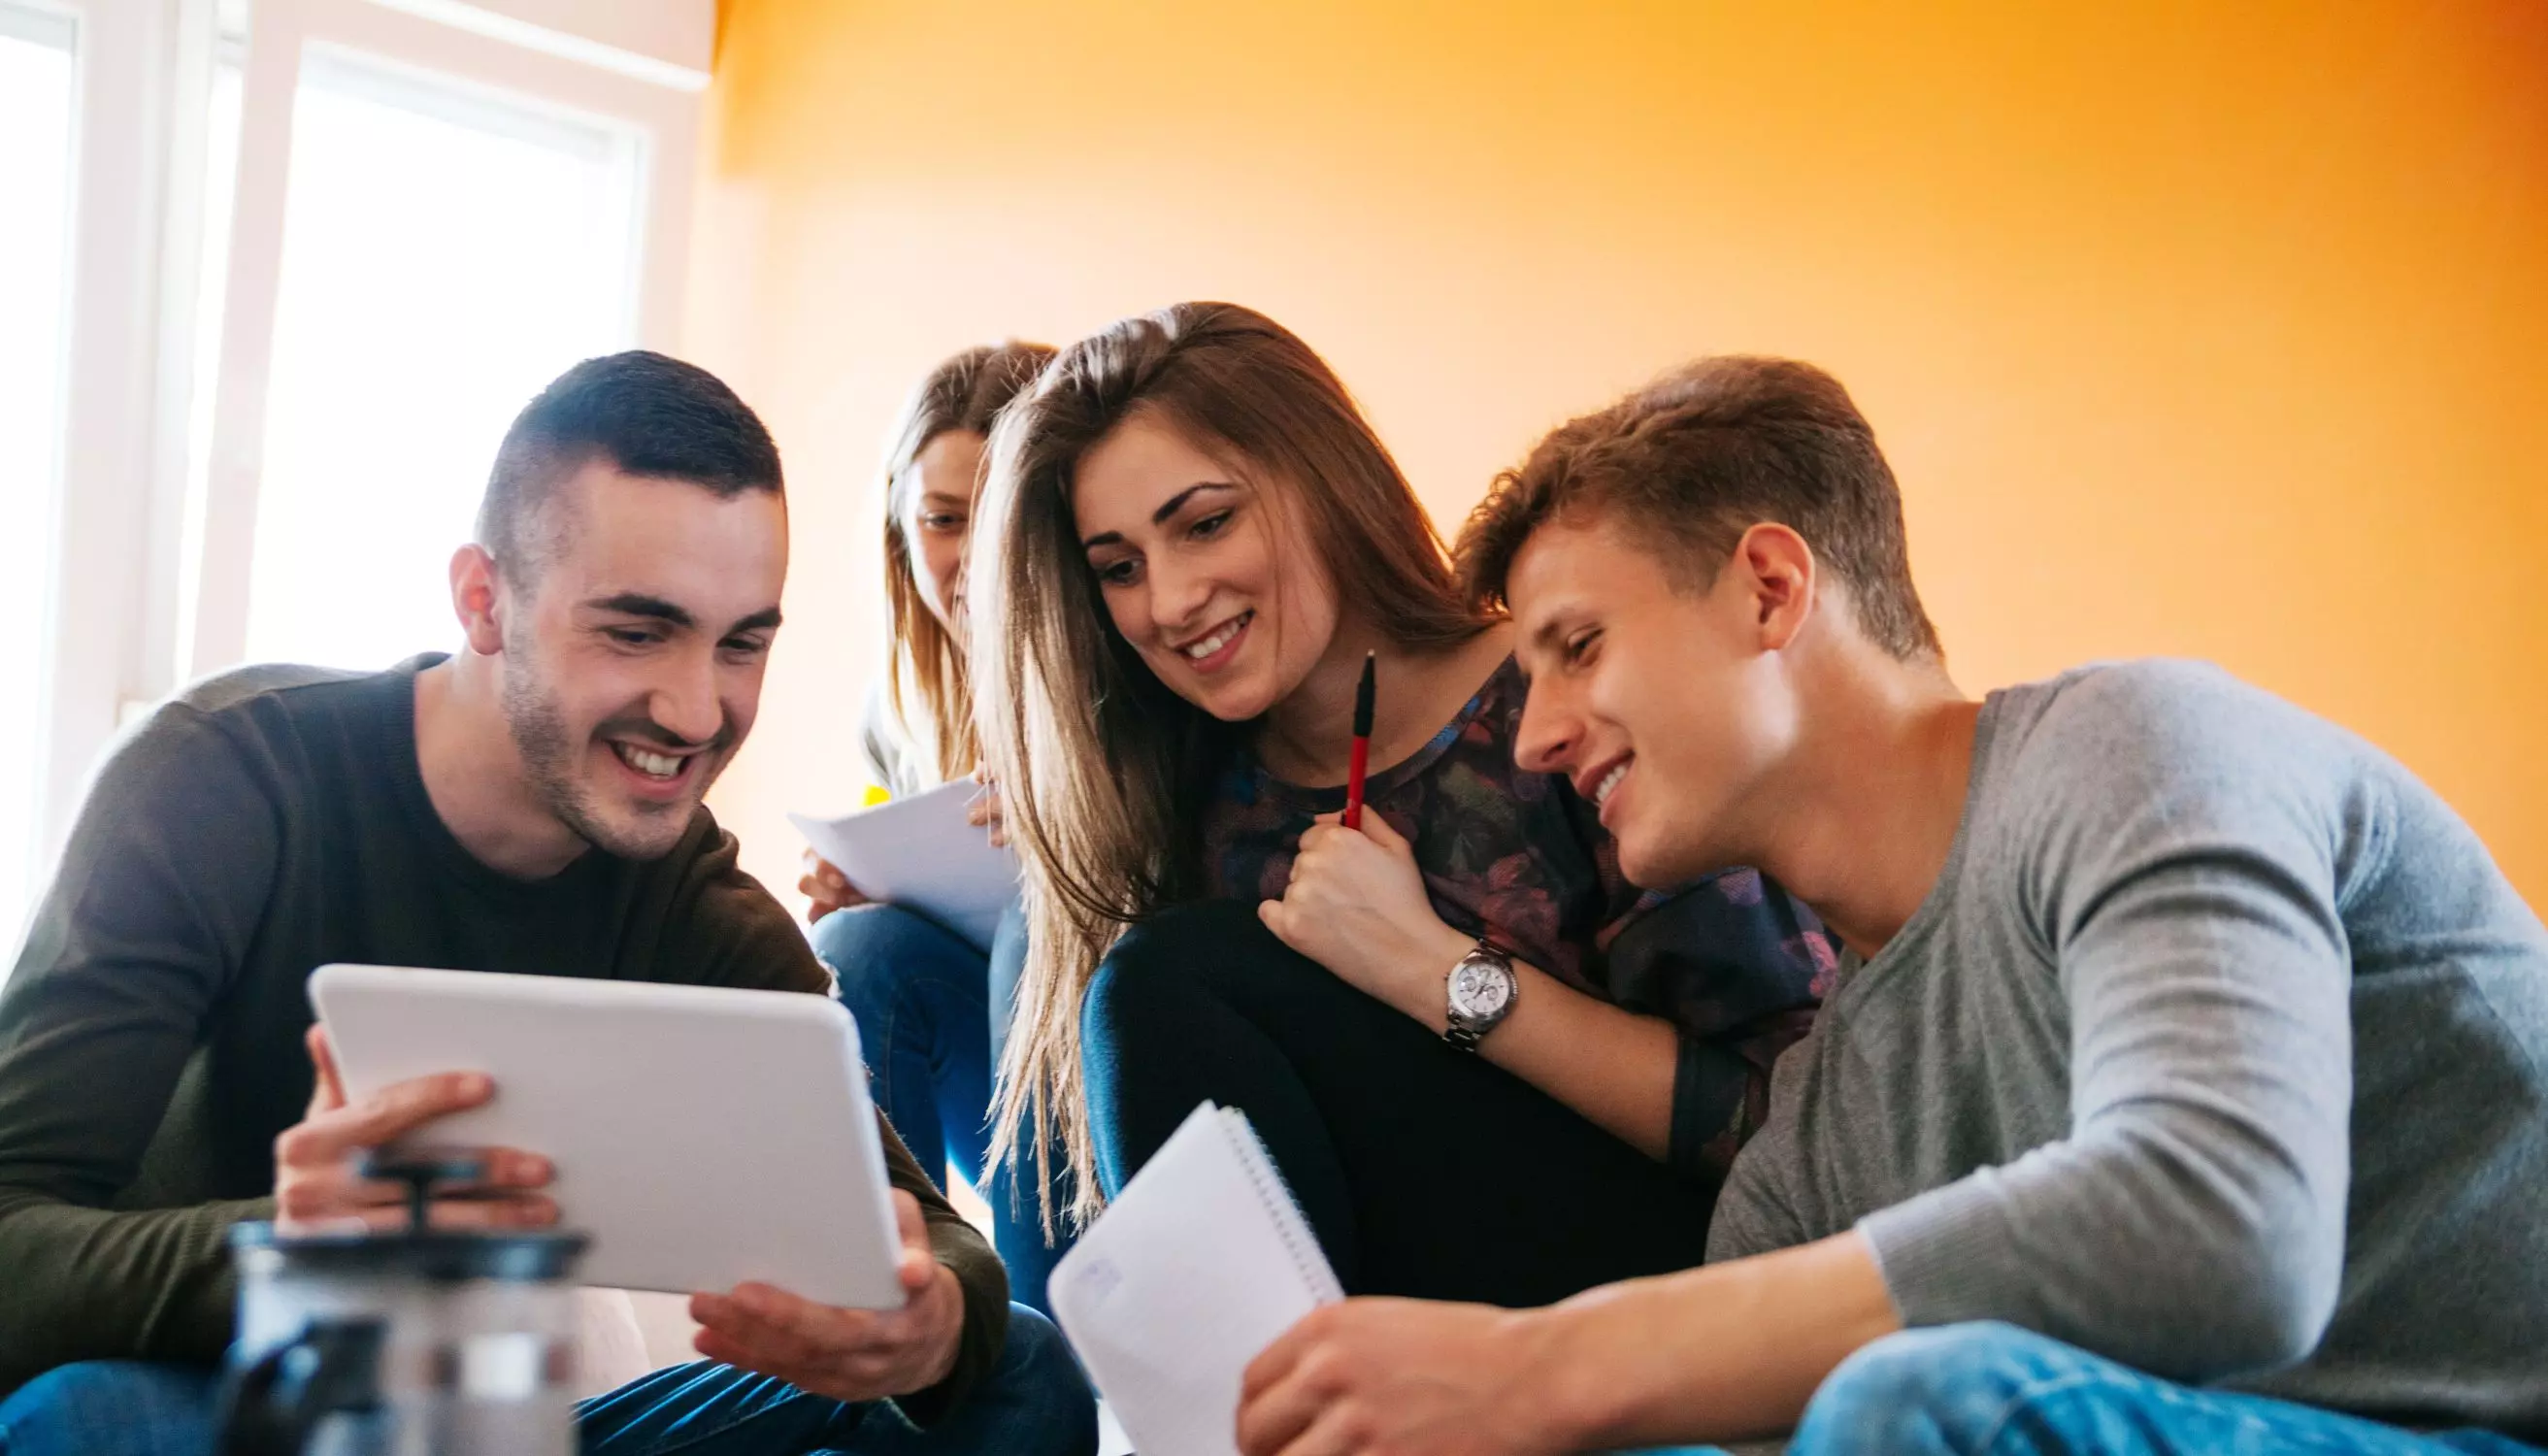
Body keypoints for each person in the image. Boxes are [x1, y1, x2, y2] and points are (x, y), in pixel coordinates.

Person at [1230, 354, 2548, 1456]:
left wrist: (1547, 1363)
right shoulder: (1817, 1133)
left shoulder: (2136, 750)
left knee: (1908, 1404)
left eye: (1577, 648)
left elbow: (2226, 1229)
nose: (1535, 738)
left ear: (1769, 589)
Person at [0, 352, 1096, 1456]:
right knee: (78, 1422)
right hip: (245, 1410)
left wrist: (923, 1326)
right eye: (635, 631)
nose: (696, 709)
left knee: (1016, 1362)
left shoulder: (691, 902)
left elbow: (936, 1243)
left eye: (742, 643)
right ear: (485, 600)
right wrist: (278, 1246)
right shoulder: (223, 782)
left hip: (514, 1433)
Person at [967, 302, 1834, 1307]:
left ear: (1324, 481)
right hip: (1379, 1320)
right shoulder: (1184, 796)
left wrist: (1439, 975)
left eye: (1207, 524)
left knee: (1162, 977)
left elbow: (1793, 1126)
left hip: (1674, 1284)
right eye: (1119, 569)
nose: (1169, 601)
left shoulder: (1565, 703)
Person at [794, 341, 1074, 1315]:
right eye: (945, 520)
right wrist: (869, 887)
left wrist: (1072, 833)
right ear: (901, 531)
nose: (973, 556)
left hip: (1127, 1094)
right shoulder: (900, 711)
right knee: (854, 945)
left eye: (1004, 518)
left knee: (1043, 929)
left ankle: (1047, 1369)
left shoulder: (1141, 665)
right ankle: (900, 1324)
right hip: (996, 1087)